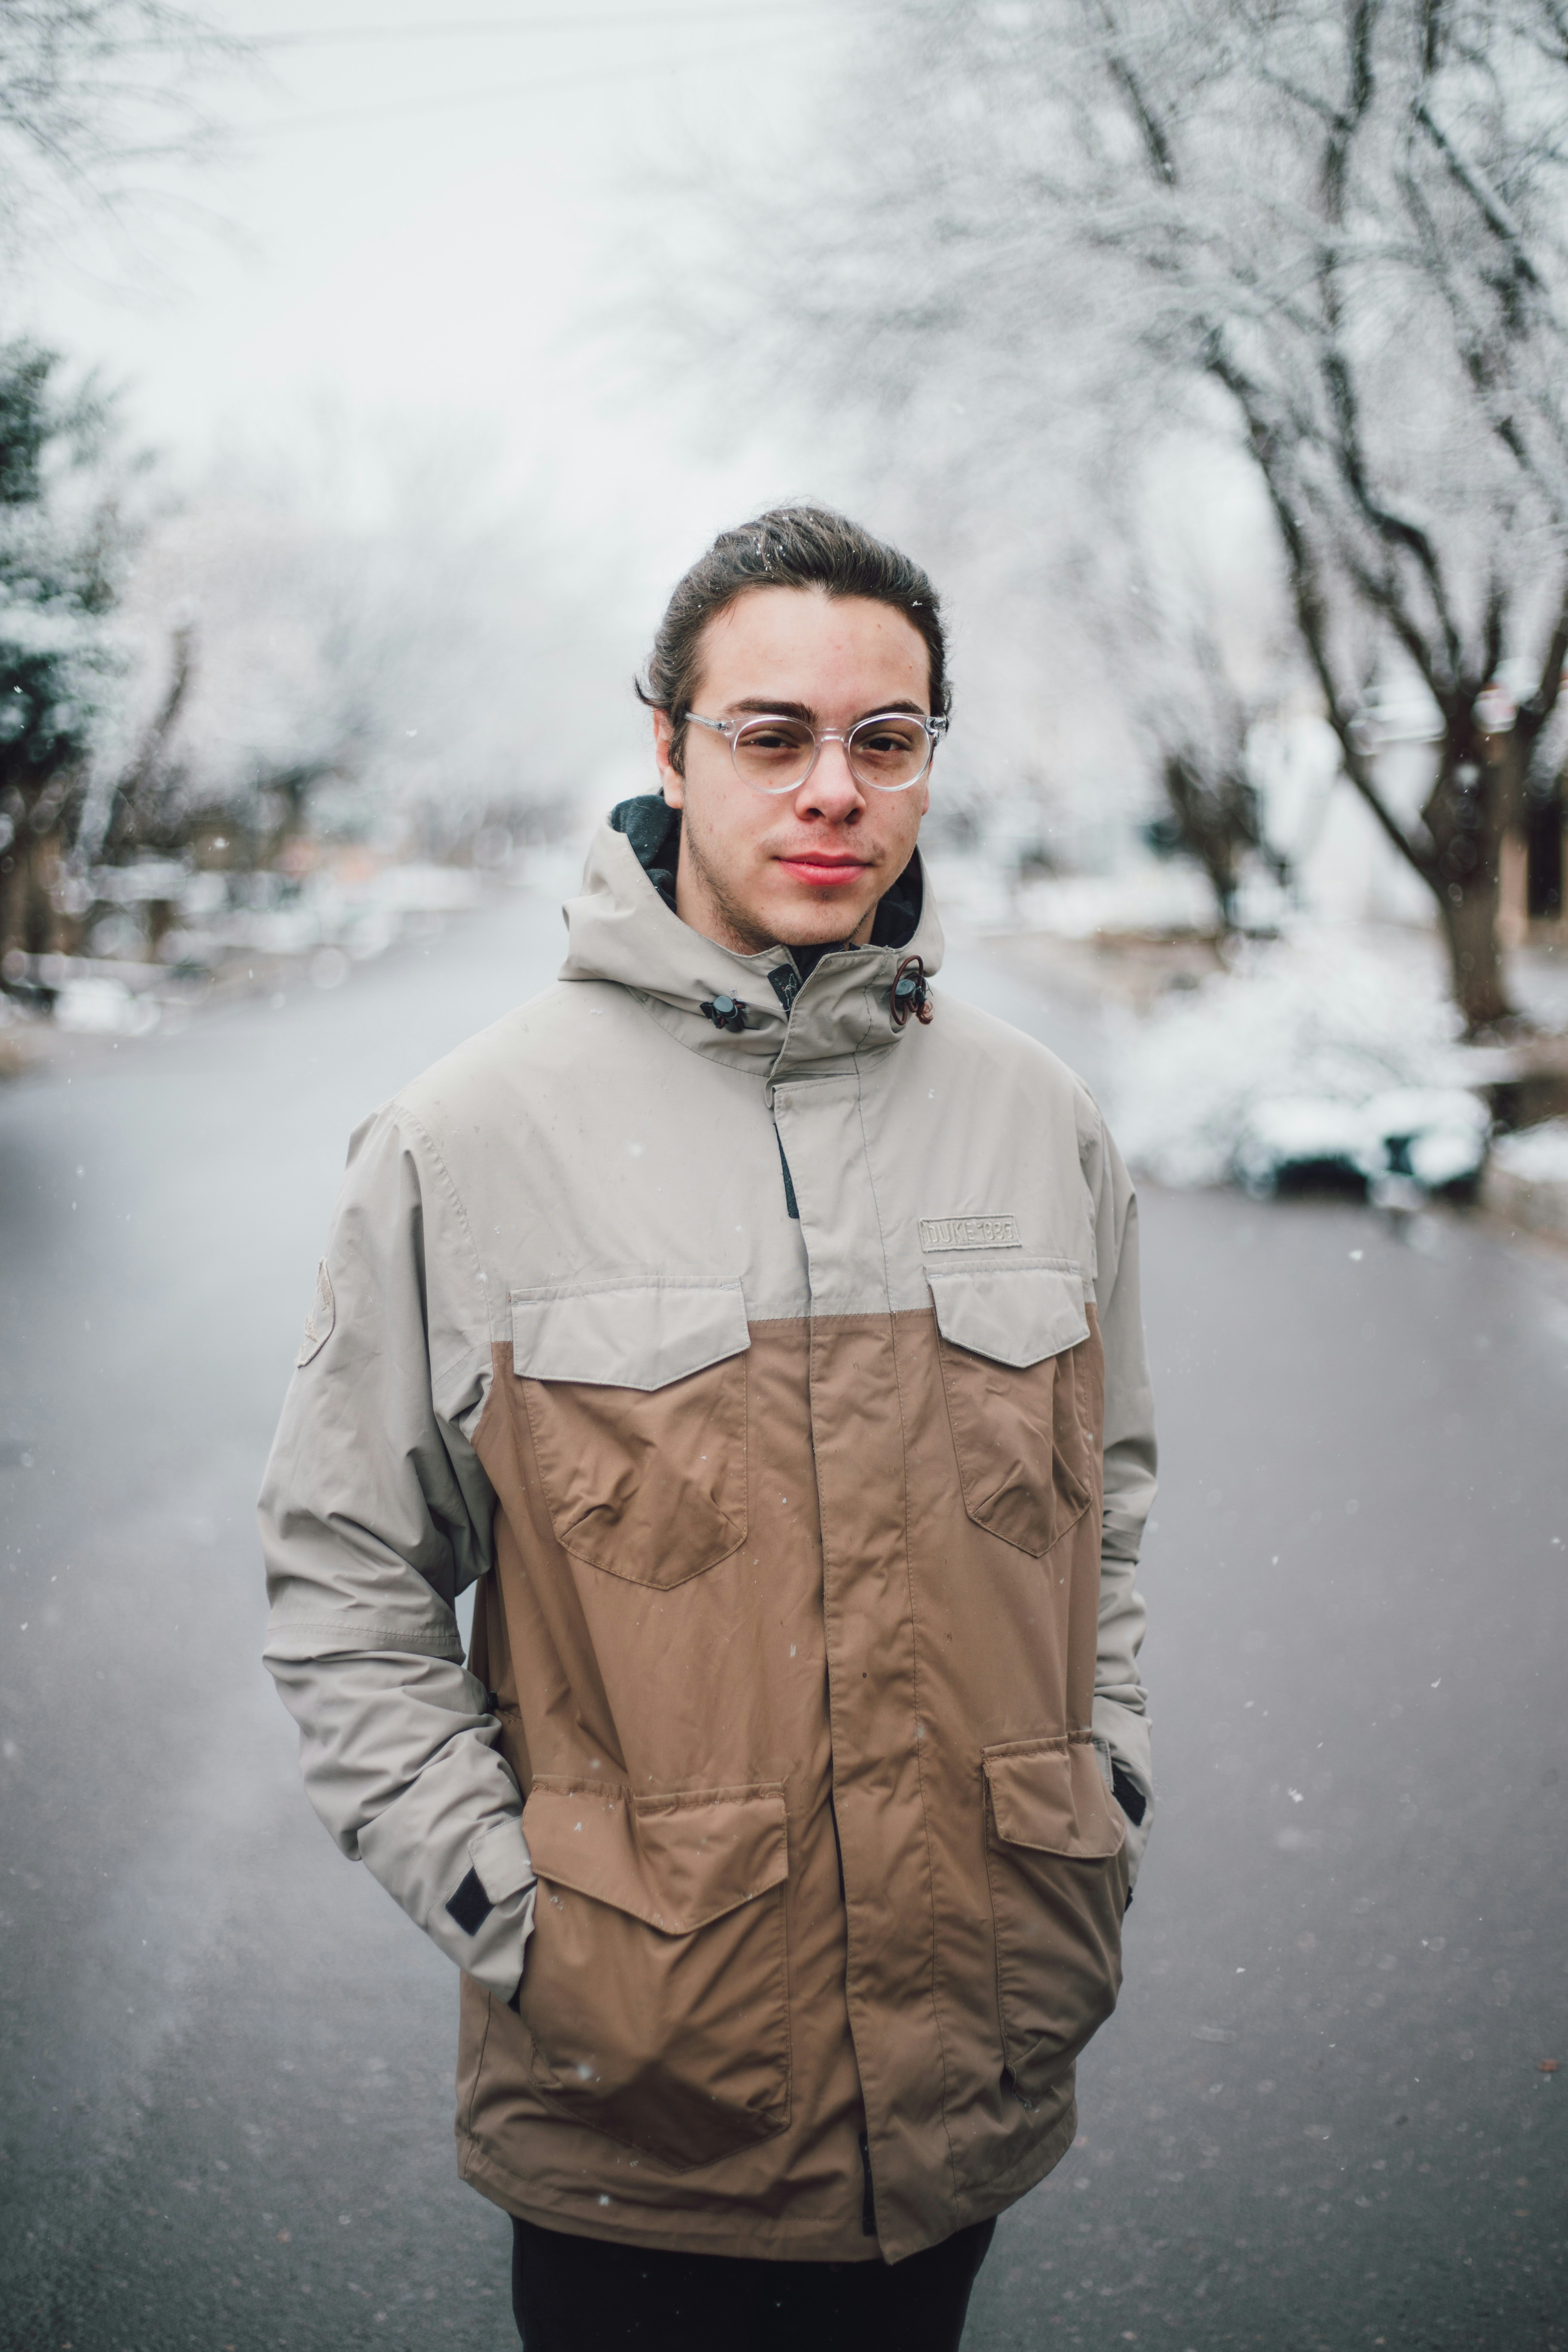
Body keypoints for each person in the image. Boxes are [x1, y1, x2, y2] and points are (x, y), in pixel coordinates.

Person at [259, 505, 1157, 2351]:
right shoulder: (465, 1140)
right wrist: (522, 1924)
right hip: (637, 2110)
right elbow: (344, 1576)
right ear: (666, 748)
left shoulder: (1040, 1118)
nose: (834, 788)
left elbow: (1104, 1517)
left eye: (885, 740)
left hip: (970, 2082)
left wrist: (1100, 1795)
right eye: (773, 734)